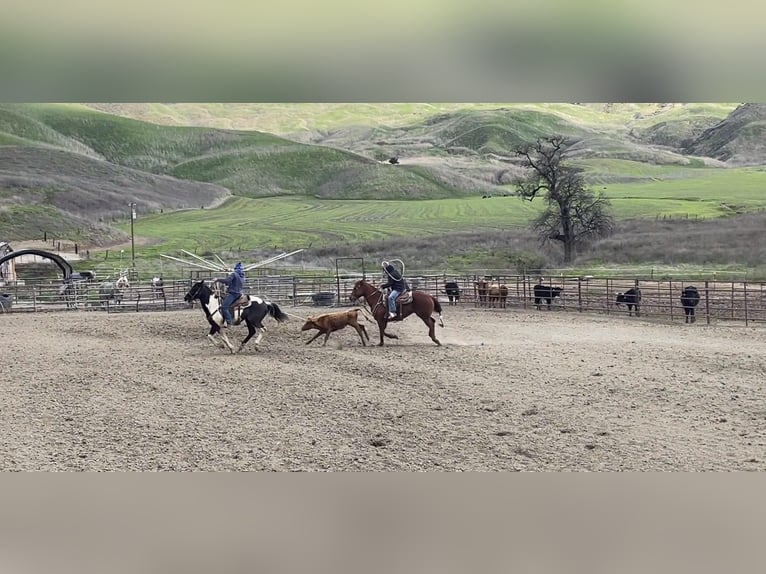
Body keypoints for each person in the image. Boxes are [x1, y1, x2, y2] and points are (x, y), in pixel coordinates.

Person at [216, 262, 244, 328]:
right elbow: (233, 283)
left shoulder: (234, 274)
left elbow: (227, 281)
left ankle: (229, 321)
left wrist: (218, 280)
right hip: (239, 293)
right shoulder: (242, 276)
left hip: (233, 293)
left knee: (224, 307)